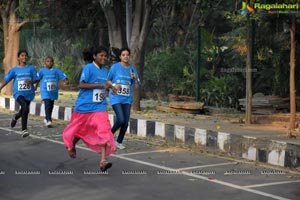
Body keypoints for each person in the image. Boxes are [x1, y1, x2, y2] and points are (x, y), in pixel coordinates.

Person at [62, 46, 116, 171]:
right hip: (85, 106)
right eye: (101, 55)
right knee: (81, 130)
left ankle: (103, 161)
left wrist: (112, 88)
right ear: (94, 56)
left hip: (100, 107)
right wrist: (101, 84)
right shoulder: (88, 68)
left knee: (104, 130)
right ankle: (72, 144)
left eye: (105, 56)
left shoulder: (105, 70)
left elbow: (105, 86)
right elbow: (81, 85)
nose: (103, 58)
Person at [107, 47, 141, 150]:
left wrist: (135, 79)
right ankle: (109, 135)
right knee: (121, 119)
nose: (126, 57)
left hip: (127, 98)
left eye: (127, 55)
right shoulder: (115, 67)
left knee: (126, 122)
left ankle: (119, 141)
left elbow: (137, 86)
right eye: (123, 55)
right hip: (116, 97)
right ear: (120, 57)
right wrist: (114, 85)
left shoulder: (132, 69)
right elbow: (107, 81)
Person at [0, 50, 39, 137]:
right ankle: (24, 129)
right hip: (18, 93)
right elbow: (7, 80)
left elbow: (37, 79)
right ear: (18, 58)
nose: (24, 57)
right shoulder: (14, 70)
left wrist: (31, 82)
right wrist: (1, 87)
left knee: (24, 109)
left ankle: (16, 117)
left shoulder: (31, 68)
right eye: (22, 55)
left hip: (29, 93)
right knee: (25, 107)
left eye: (25, 55)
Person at [37, 56, 68, 127]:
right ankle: (49, 120)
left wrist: (66, 80)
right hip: (44, 90)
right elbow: (37, 78)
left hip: (53, 91)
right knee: (47, 103)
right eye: (48, 61)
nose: (49, 63)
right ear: (45, 63)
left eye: (51, 61)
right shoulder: (42, 71)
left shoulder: (56, 71)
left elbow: (63, 76)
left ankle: (47, 117)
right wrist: (34, 85)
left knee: (51, 105)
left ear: (53, 63)